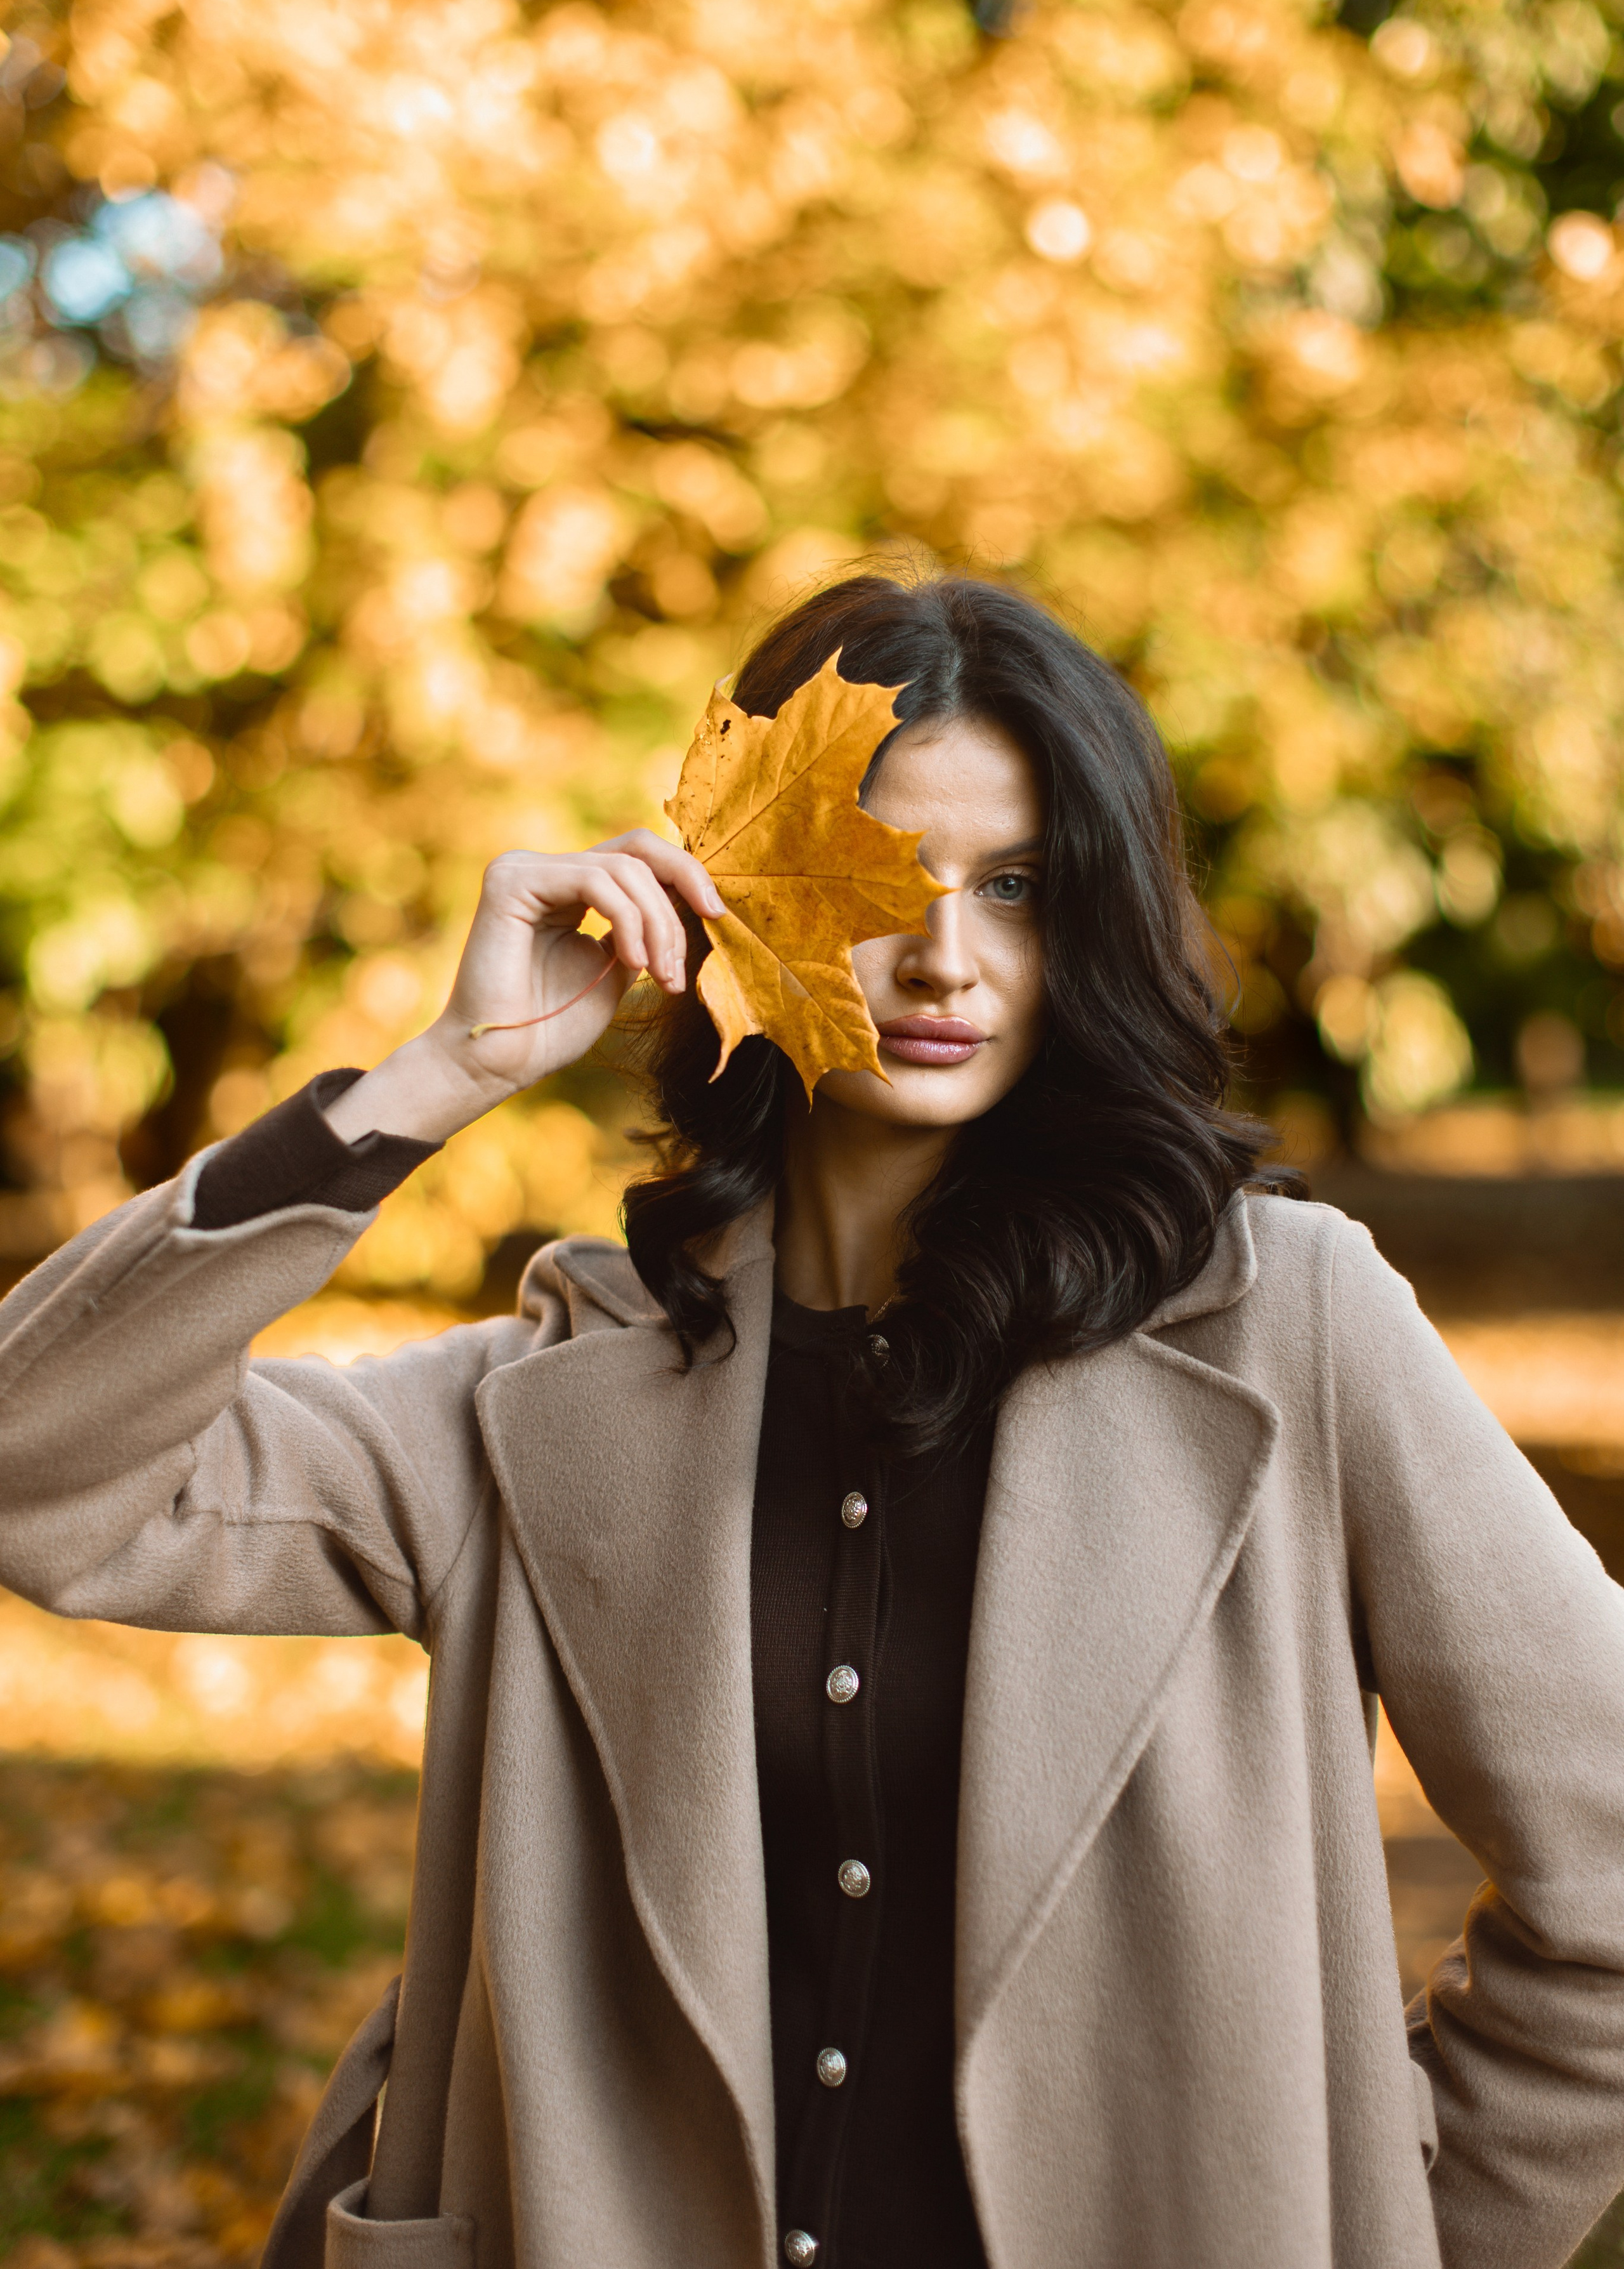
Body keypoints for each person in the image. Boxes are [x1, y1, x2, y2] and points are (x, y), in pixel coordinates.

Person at [1, 571, 1621, 2269]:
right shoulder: (535, 1398)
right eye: (878, 878)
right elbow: (47, 1474)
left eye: (1015, 887)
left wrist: (1401, 2227)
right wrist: (437, 1078)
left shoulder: (1287, 1327)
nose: (945, 954)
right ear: (737, 894)